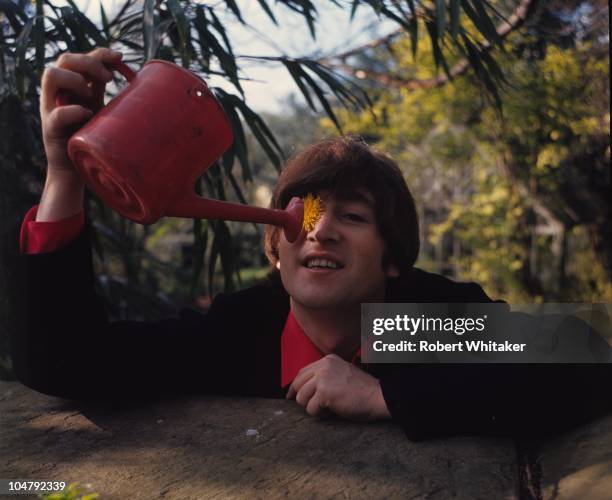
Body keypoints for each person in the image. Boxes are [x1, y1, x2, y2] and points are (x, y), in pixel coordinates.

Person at [9, 49, 611, 441]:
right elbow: (63, 360)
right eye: (306, 214)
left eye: (351, 216)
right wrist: (64, 175)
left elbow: (585, 359)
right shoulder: (240, 331)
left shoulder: (424, 323)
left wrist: (389, 393)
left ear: (393, 256)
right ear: (276, 248)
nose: (319, 229)